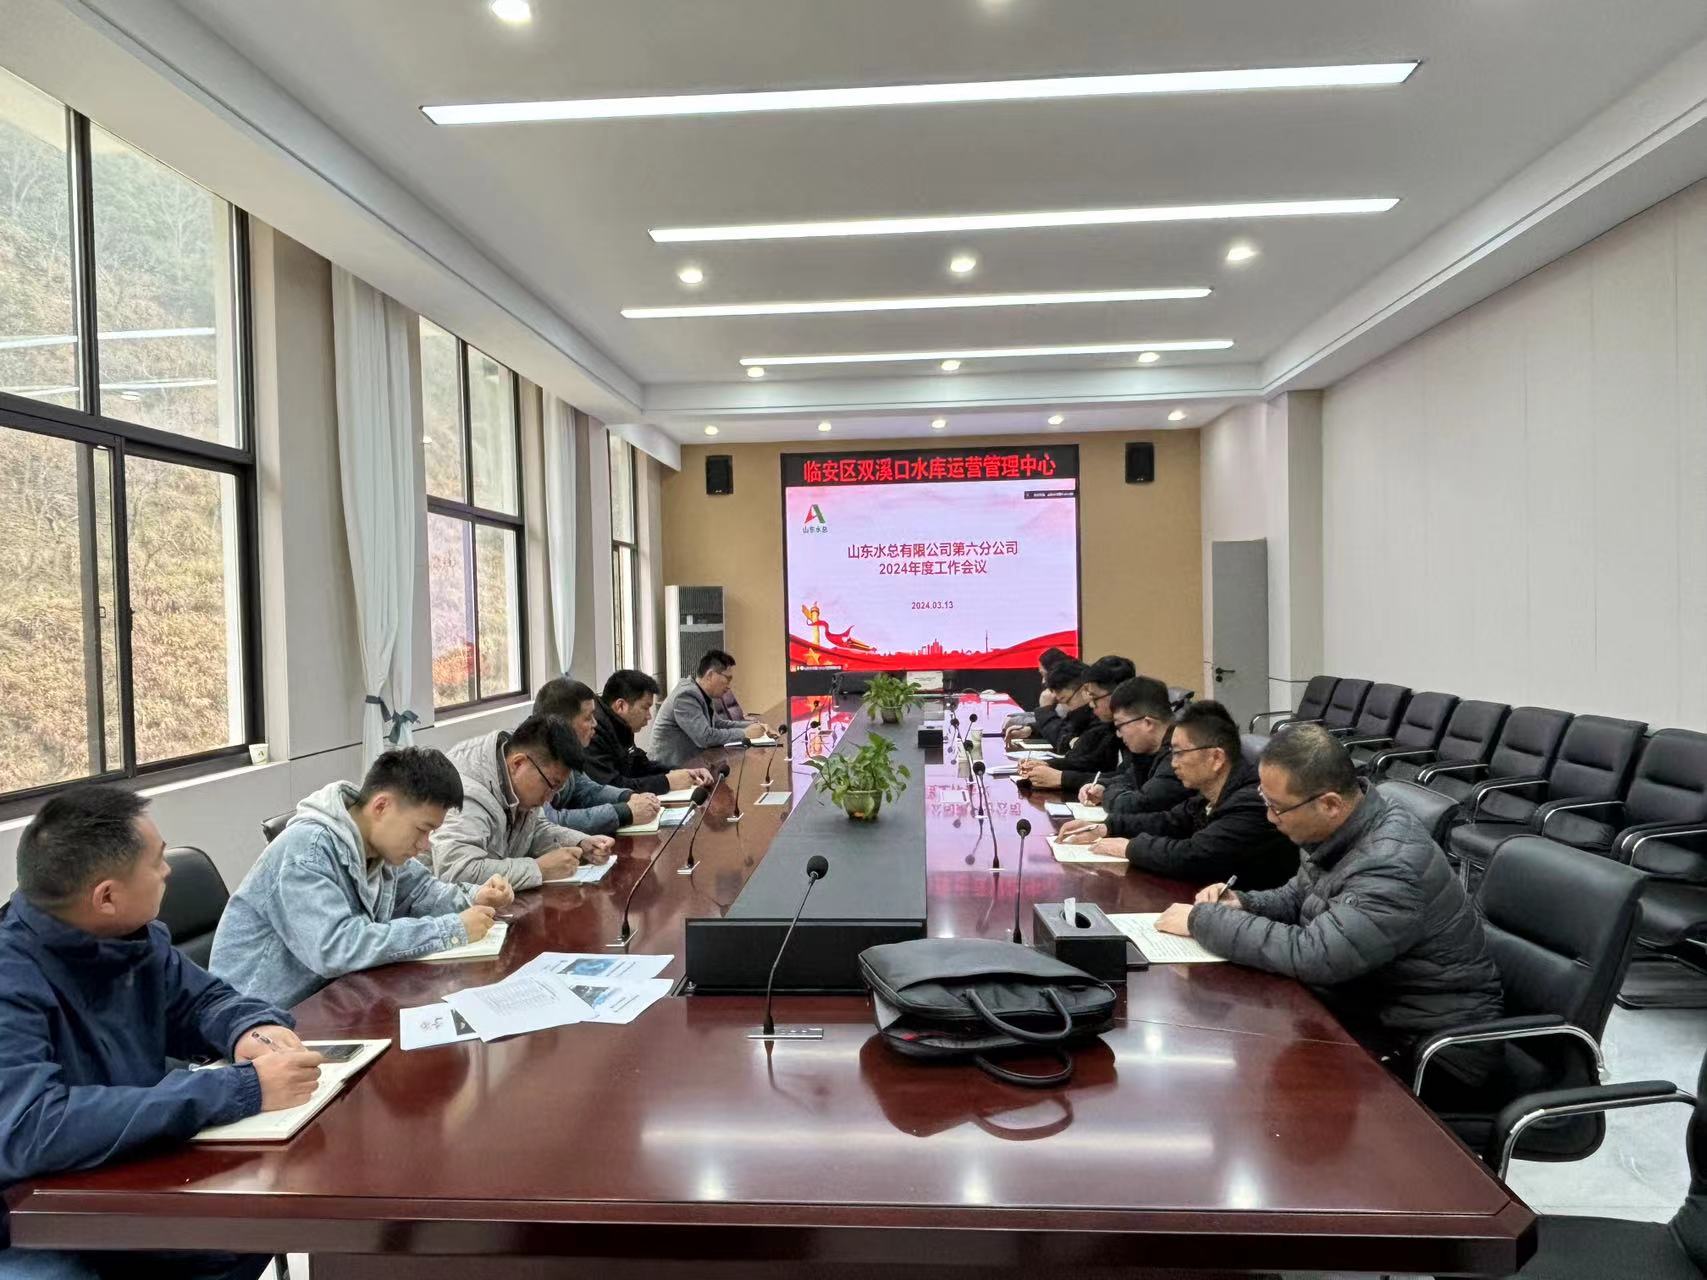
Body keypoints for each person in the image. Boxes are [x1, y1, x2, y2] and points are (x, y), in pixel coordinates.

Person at [0, 787, 322, 1278]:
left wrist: (247, 1028)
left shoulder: (133, 939)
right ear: (107, 897)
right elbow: (31, 1126)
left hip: (123, 1170)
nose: (167, 871)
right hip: (30, 1214)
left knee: (248, 1232)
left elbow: (201, 1000)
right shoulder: (11, 977)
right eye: (156, 862)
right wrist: (240, 1089)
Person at [1157, 725, 1504, 1083]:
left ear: (1330, 804)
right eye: (1266, 800)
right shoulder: (1344, 828)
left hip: (1433, 1052)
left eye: (1278, 808)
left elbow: (1316, 955)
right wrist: (1241, 903)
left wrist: (1203, 921)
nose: (1270, 818)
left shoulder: (1389, 866)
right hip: (1368, 1010)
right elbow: (1299, 896)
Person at [210, 748, 514, 1010]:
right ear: (381, 806)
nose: (425, 845)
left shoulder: (379, 845)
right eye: (422, 830)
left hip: (334, 1000)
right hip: (260, 1019)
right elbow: (336, 947)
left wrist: (474, 897)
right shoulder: (306, 851)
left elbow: (420, 892)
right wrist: (451, 930)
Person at [1060, 700, 1298, 889]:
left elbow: (1195, 856)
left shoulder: (1252, 801)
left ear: (1216, 758)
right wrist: (1106, 827)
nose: (1173, 763)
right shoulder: (1210, 794)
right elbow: (1170, 821)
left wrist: (1129, 848)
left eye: (1179, 753)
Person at [427, 715, 613, 890]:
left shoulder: (521, 775)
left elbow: (534, 829)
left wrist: (580, 843)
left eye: (558, 789)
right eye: (551, 785)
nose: (549, 798)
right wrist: (538, 869)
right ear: (518, 764)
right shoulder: (466, 791)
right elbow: (456, 871)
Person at [533, 678, 663, 833]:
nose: (595, 723)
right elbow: (549, 821)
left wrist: (628, 797)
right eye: (588, 718)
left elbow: (586, 790)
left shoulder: (563, 749)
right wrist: (625, 812)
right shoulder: (532, 757)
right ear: (562, 723)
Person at [585, 670, 715, 795]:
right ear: (621, 706)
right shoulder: (592, 732)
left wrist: (684, 772)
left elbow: (640, 766)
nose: (649, 716)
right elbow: (611, 787)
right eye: (645, 708)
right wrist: (667, 782)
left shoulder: (619, 725)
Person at [1017, 655, 1134, 792]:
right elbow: (1089, 761)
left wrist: (1062, 778)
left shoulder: (1131, 726)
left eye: (1094, 697)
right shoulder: (1109, 723)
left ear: (1117, 694)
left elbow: (1131, 780)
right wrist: (1050, 765)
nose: (1091, 704)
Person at [1081, 675, 1189, 816]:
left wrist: (1106, 795)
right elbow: (1129, 778)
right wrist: (1103, 785)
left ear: (1147, 723)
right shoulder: (1151, 751)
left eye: (1119, 725)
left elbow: (1138, 804)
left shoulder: (1180, 754)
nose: (1119, 734)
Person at [650, 650, 768, 767]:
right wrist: (744, 733)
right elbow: (705, 737)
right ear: (710, 675)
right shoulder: (686, 696)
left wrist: (756, 726)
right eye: (728, 679)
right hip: (668, 770)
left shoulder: (701, 693)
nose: (729, 686)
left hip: (692, 764)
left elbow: (718, 724)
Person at [1003, 651, 1080, 747]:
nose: (1043, 681)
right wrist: (1031, 729)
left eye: (1044, 674)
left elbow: (1062, 738)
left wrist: (1045, 710)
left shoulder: (1073, 704)